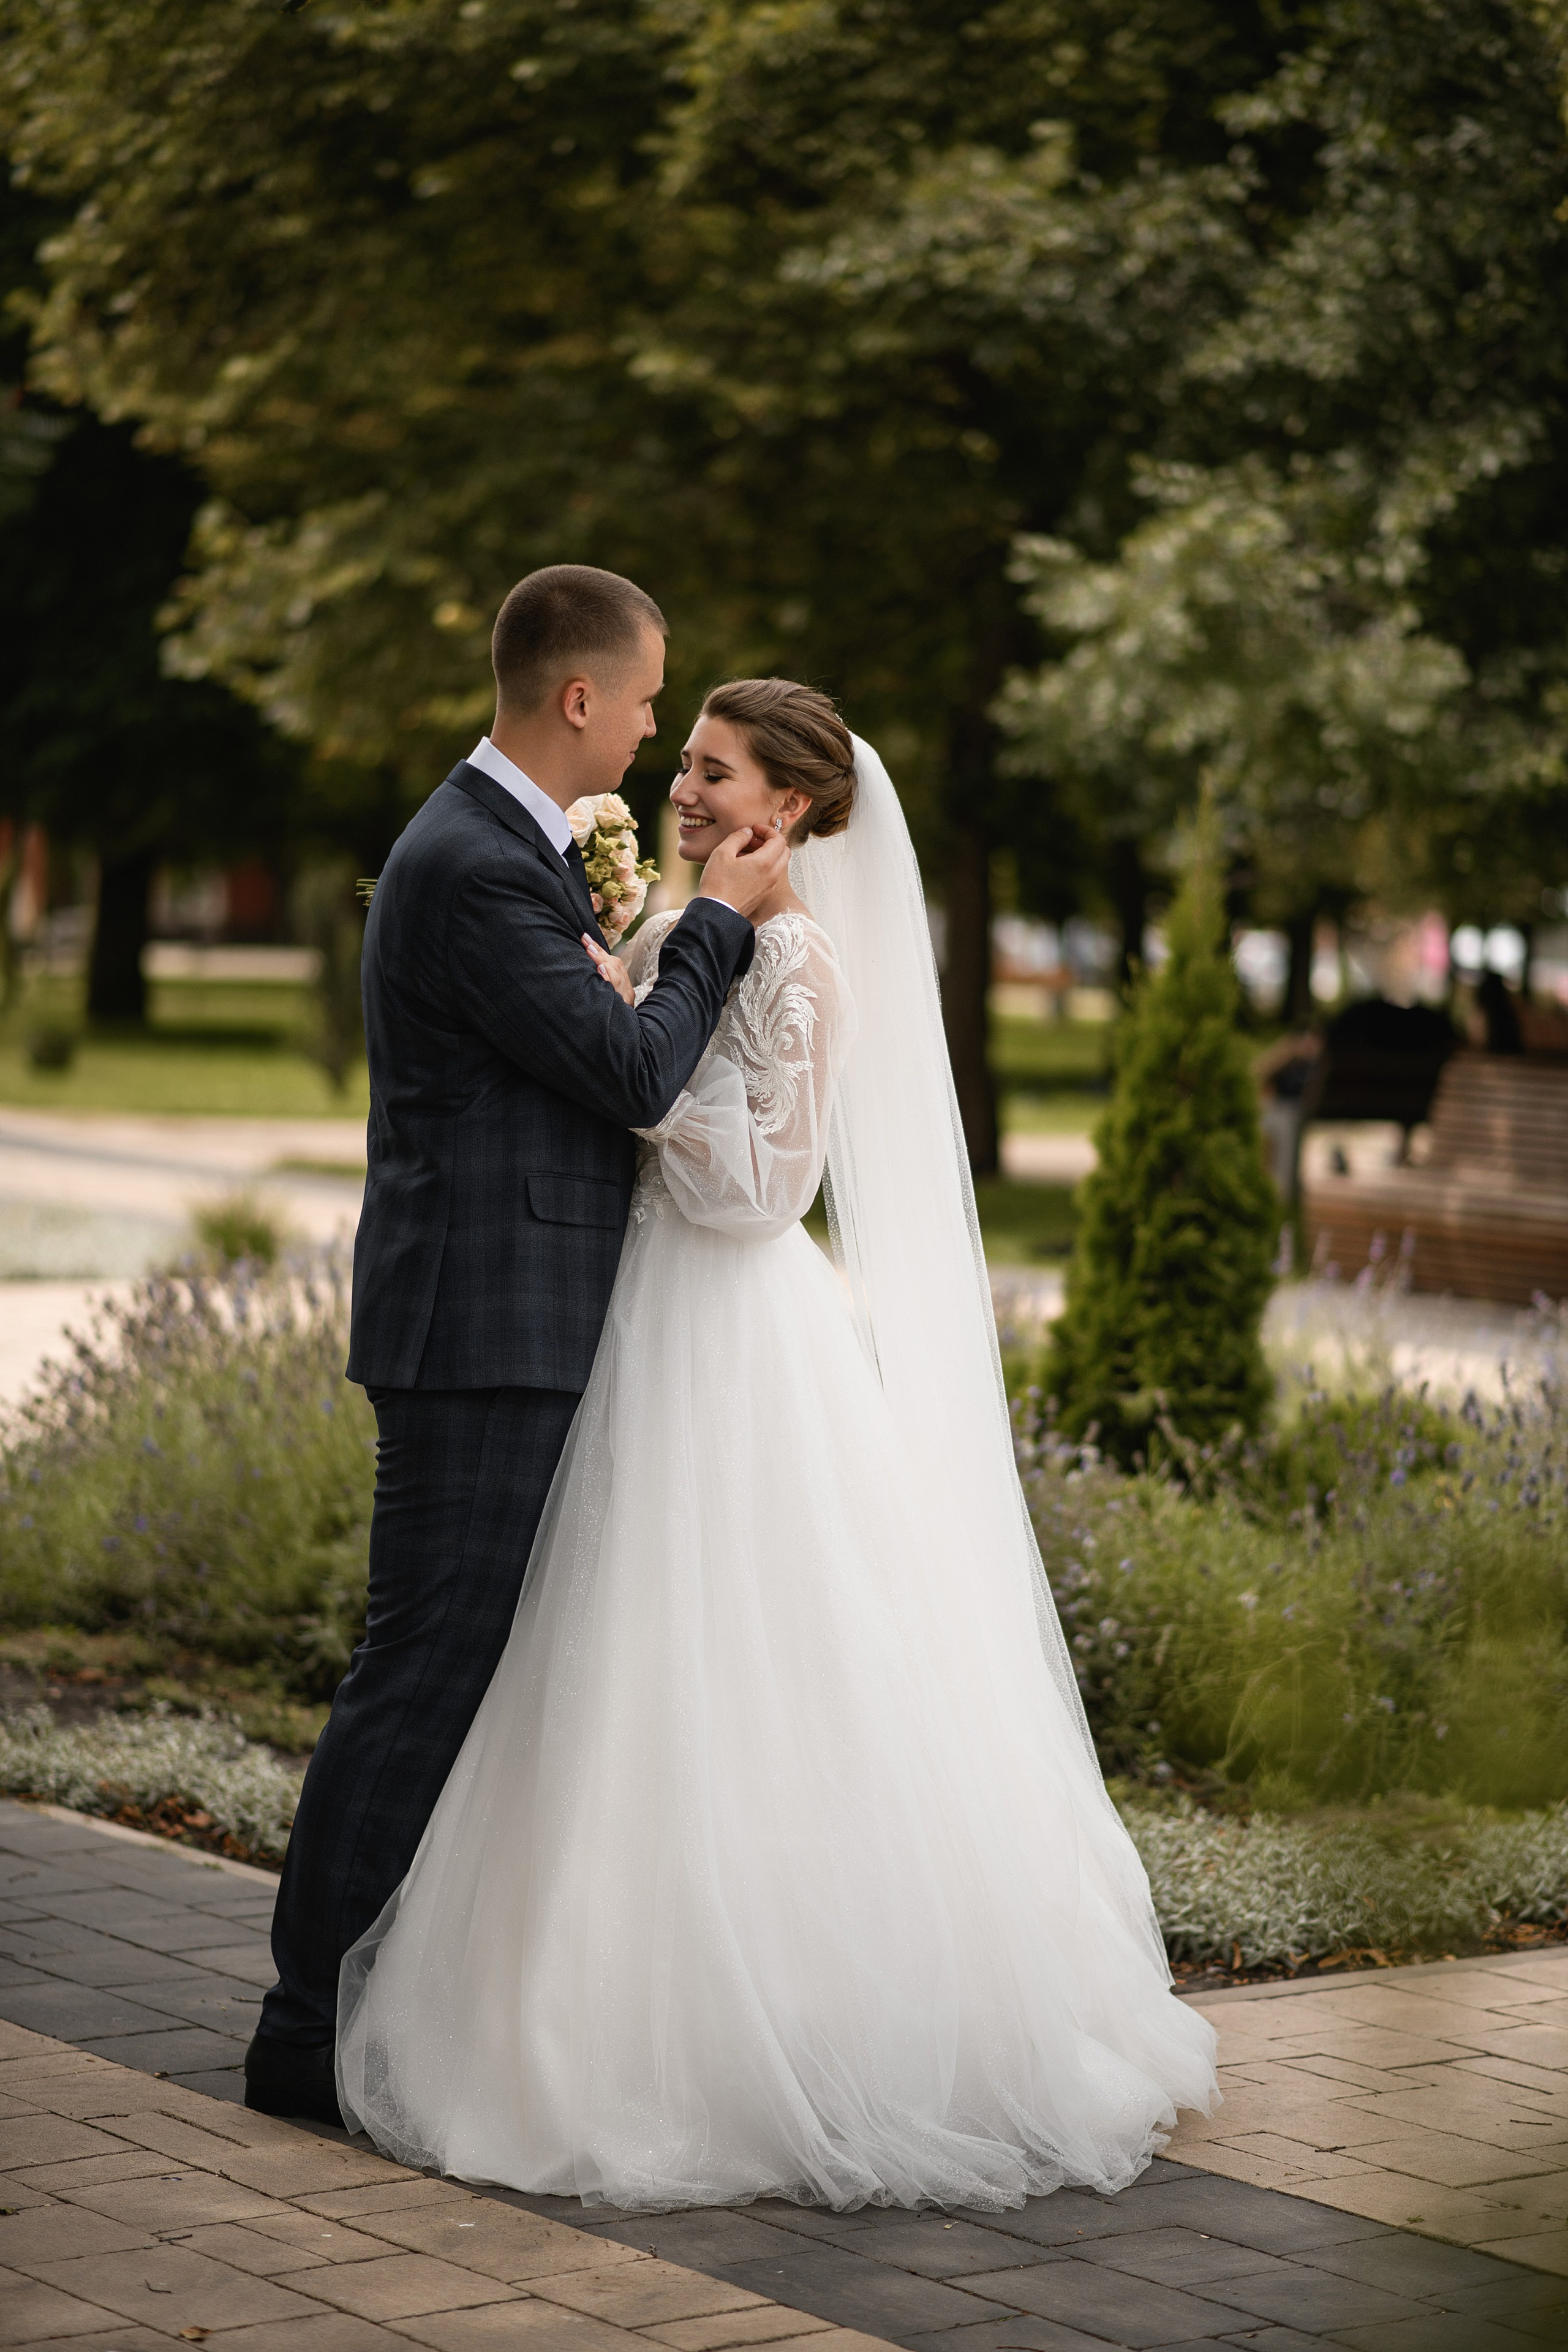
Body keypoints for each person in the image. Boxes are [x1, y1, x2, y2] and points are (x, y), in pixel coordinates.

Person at [336, 678, 1218, 2209]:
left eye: (713, 769)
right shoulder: (694, 926)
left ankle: (770, 2033)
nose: (680, 787)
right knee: (603, 1667)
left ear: (785, 810)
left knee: (732, 1667)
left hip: (730, 1338)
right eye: (681, 758)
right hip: (629, 1320)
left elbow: (759, 1188)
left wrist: (633, 1070)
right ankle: (575, 1996)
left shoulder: (797, 957)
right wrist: (639, 1006)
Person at [244, 568, 788, 2126]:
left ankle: (383, 2005)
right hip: (480, 1325)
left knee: (452, 1672)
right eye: (641, 700)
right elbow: (628, 1068)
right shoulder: (476, 864)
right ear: (575, 698)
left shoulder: (506, 851)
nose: (646, 733)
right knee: (421, 1671)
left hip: (509, 1313)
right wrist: (718, 935)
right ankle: (301, 2030)